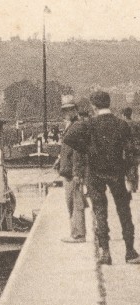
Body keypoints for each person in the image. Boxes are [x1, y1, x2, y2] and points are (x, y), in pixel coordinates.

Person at [64, 91, 140, 265]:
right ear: (109, 103)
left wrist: (87, 150)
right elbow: (131, 151)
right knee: (124, 211)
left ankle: (105, 252)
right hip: (117, 172)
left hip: (95, 172)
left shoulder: (89, 124)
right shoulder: (121, 124)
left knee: (100, 211)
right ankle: (130, 251)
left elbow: (69, 137)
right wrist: (131, 176)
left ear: (93, 106)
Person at [58, 96, 87, 243]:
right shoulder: (71, 126)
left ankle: (78, 234)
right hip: (68, 171)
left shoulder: (77, 126)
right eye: (64, 110)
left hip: (72, 173)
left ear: (75, 110)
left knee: (76, 203)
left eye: (69, 110)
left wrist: (77, 173)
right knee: (71, 203)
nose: (66, 113)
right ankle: (75, 232)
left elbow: (78, 152)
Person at [121, 107, 139, 192]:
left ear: (124, 115)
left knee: (127, 166)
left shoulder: (122, 124)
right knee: (134, 166)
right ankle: (134, 186)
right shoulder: (136, 124)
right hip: (136, 148)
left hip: (126, 149)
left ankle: (129, 186)